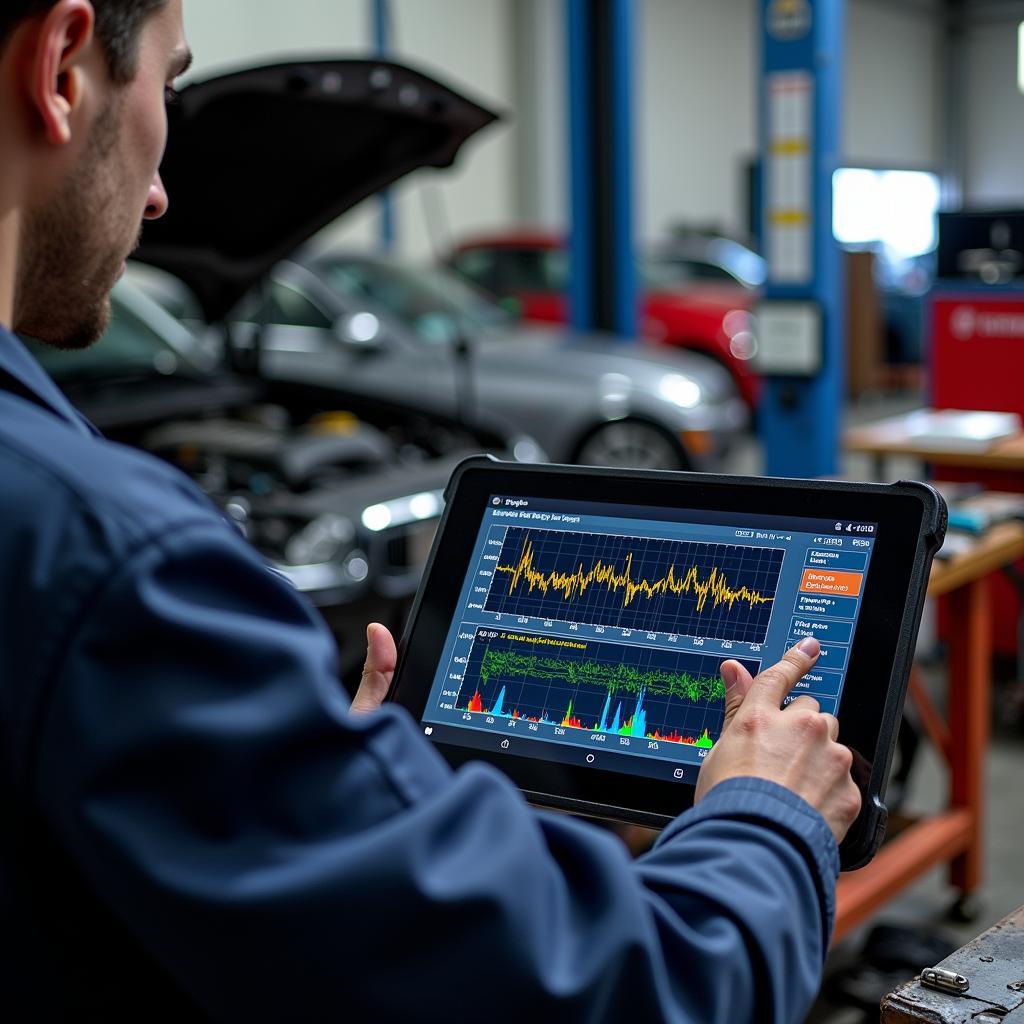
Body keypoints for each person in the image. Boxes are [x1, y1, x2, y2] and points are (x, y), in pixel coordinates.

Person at [0, 1, 862, 1020]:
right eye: (169, 91)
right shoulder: (104, 558)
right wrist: (766, 812)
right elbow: (632, 989)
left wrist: (313, 797)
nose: (158, 194)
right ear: (61, 69)